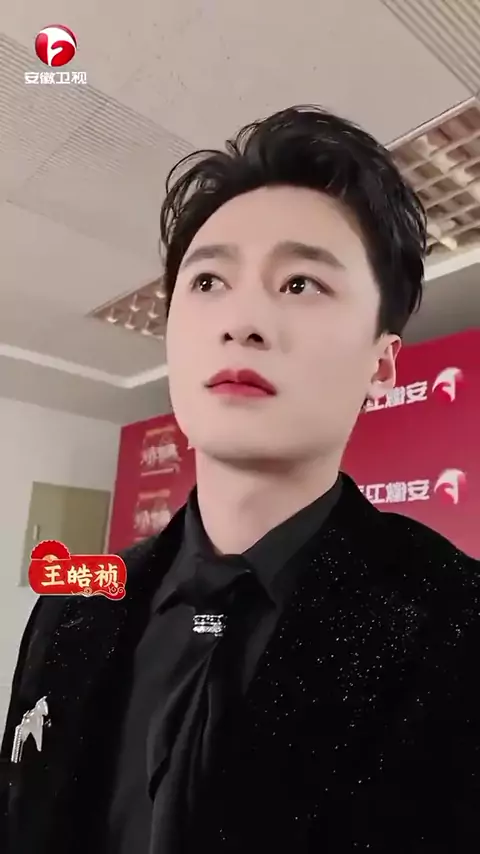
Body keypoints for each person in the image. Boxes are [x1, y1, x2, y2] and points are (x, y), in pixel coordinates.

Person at [1, 106, 479, 854]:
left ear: (382, 363)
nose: (242, 321)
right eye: (209, 281)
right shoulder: (70, 611)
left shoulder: (459, 626)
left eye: (300, 283)